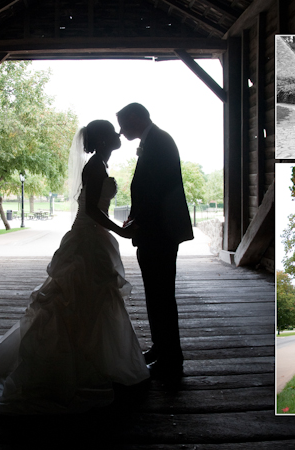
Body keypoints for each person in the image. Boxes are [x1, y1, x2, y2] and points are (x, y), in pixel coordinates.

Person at [0, 121, 149, 414]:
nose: (118, 134)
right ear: (102, 140)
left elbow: (96, 207)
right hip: (87, 239)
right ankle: (79, 366)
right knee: (78, 298)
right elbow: (91, 210)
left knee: (93, 300)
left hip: (93, 238)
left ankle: (95, 361)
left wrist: (118, 226)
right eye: (111, 132)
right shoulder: (94, 166)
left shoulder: (99, 163)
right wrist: (121, 230)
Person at [117, 103, 194, 380]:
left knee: (161, 296)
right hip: (154, 231)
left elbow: (158, 192)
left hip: (158, 233)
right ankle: (161, 348)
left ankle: (171, 358)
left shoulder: (159, 141)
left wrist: (139, 221)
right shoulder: (155, 140)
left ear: (135, 118)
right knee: (156, 295)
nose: (120, 131)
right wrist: (134, 217)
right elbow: (147, 188)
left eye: (123, 124)